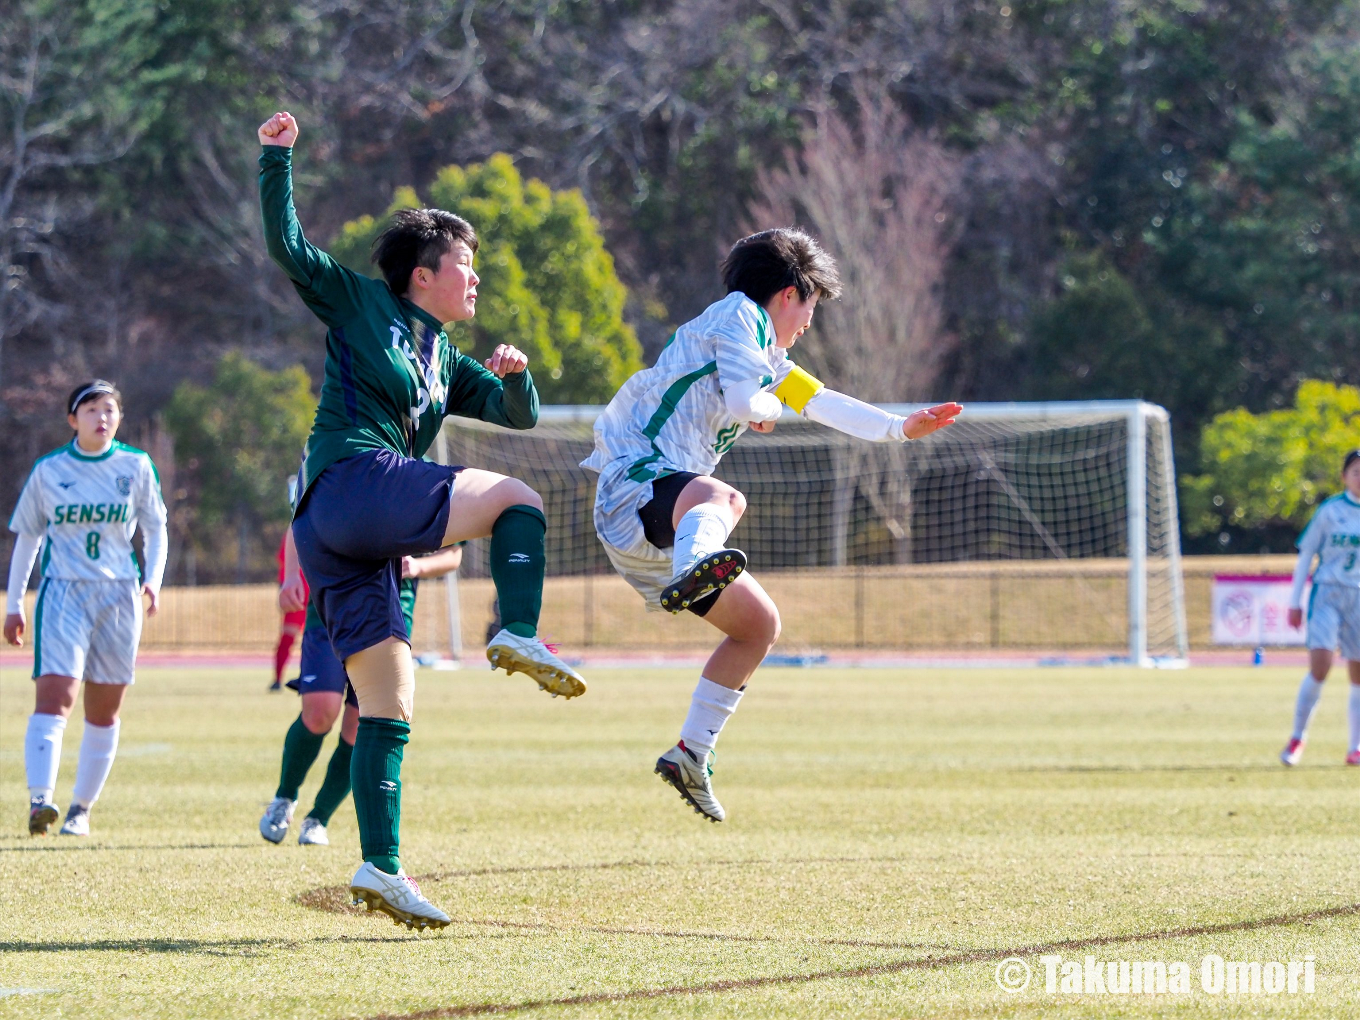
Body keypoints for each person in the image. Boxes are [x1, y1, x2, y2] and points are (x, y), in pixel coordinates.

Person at [258, 110, 584, 930]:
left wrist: (515, 377)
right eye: (464, 265)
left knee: (388, 703)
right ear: (422, 275)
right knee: (519, 502)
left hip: (347, 535)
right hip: (350, 482)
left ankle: (380, 865)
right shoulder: (362, 304)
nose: (474, 278)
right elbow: (289, 248)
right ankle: (515, 631)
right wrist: (276, 158)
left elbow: (520, 418)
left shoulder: (445, 357)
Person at [582, 228, 961, 822]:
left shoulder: (768, 355)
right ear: (791, 293)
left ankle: (691, 754)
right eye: (812, 305)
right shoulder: (739, 316)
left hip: (668, 521)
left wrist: (898, 428)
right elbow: (744, 405)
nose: (811, 321)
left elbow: (823, 401)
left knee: (759, 626)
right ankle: (694, 565)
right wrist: (763, 407)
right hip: (637, 480)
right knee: (725, 498)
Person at [4, 380, 168, 837]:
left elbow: (157, 530)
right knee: (56, 696)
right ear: (72, 419)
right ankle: (41, 802)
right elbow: (28, 538)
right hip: (63, 593)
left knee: (104, 709)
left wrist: (152, 582)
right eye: (92, 409)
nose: (102, 417)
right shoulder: (50, 470)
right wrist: (14, 604)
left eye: (110, 409)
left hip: (119, 596)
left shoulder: (135, 466)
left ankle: (81, 810)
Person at [260, 533, 463, 846]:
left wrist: (417, 566)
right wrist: (289, 576)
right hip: (332, 602)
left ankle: (318, 818)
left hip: (389, 613)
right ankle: (284, 798)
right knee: (318, 712)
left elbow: (453, 555)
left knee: (360, 728)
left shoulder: (428, 485)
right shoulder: (341, 480)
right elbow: (298, 518)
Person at [1281, 449, 1360, 766]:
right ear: (1344, 476)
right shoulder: (1330, 511)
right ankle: (1298, 737)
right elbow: (1306, 555)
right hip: (1328, 594)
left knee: (1358, 673)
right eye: (1356, 471)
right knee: (1321, 666)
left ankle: (1356, 746)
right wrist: (1294, 601)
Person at [270, 485, 308, 692]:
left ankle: (310, 676)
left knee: (317, 637)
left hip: (317, 592)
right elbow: (284, 564)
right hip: (299, 593)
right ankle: (277, 679)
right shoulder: (293, 531)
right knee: (289, 636)